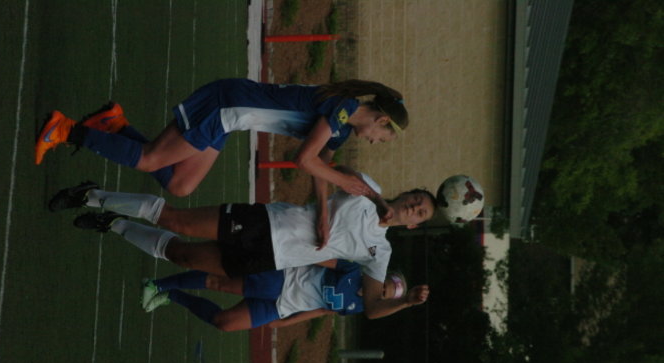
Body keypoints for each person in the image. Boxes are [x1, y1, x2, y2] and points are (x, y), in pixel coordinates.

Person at [49, 170, 436, 314]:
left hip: (271, 259)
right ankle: (91, 195)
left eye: (420, 213)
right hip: (266, 223)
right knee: (176, 219)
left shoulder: (380, 251)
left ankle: (114, 224)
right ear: (408, 193)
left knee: (182, 255)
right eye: (418, 199)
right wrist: (322, 211)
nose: (415, 207)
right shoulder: (368, 189)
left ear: (413, 226)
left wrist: (404, 302)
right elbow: (323, 167)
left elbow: (372, 307)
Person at [35, 78, 407, 201]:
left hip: (231, 119)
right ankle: (65, 129)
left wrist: (325, 214)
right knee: (150, 160)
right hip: (226, 105)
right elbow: (305, 161)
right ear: (381, 119)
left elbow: (321, 164)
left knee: (181, 185)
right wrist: (346, 182)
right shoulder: (342, 107)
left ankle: (113, 125)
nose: (375, 142)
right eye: (382, 137)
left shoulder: (341, 127)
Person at [139, 262, 428, 330]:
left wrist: (287, 322)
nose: (381, 293)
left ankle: (173, 295)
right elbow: (318, 256)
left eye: (385, 296)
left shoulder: (356, 307)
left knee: (224, 322)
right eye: (384, 287)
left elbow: (322, 310)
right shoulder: (353, 269)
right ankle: (158, 284)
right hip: (282, 280)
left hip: (282, 307)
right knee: (220, 283)